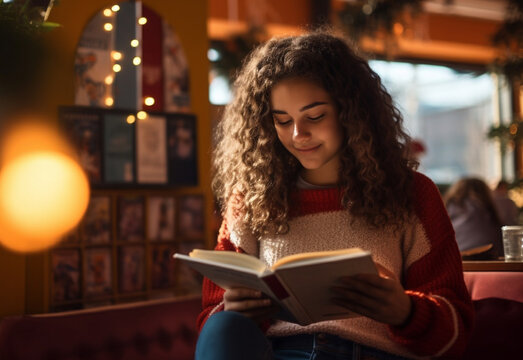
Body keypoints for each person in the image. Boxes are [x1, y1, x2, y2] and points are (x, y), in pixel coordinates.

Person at [196, 30, 473, 360]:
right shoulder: (249, 199)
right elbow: (211, 327)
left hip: (374, 354)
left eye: (315, 116)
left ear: (351, 112)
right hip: (282, 353)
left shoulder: (412, 194)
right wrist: (234, 311)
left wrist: (407, 312)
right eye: (282, 121)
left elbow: (457, 333)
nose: (298, 134)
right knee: (222, 327)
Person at [444, 177, 504, 260]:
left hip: (458, 258)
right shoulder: (492, 209)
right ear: (485, 192)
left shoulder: (448, 207)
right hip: (490, 259)